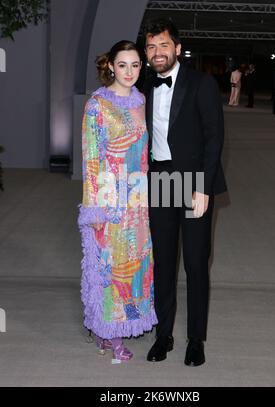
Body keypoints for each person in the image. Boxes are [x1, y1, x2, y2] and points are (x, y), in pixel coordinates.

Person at [143, 19, 227, 366]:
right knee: (163, 262)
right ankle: (163, 335)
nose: (157, 53)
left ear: (177, 48)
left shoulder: (201, 83)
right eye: (151, 47)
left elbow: (214, 138)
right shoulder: (145, 85)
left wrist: (204, 187)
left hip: (193, 183)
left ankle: (196, 339)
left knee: (194, 262)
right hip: (161, 180)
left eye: (163, 45)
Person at [78, 40, 157, 362]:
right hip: (110, 200)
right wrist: (94, 208)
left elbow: (143, 156)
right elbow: (91, 160)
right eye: (122, 65)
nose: (129, 72)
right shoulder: (98, 105)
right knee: (113, 267)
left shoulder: (140, 101)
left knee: (137, 266)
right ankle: (112, 332)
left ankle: (115, 326)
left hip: (138, 199)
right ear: (110, 65)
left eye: (135, 65)